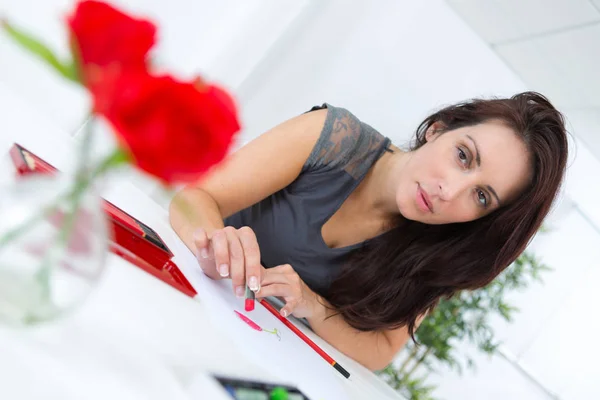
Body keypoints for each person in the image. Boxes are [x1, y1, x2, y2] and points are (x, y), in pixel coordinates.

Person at [169, 91, 568, 371]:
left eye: (481, 196)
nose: (450, 191)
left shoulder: (436, 251)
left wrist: (311, 304)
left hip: (245, 349)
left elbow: (379, 351)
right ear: (438, 129)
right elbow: (197, 197)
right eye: (463, 156)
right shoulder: (335, 139)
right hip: (179, 297)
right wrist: (215, 240)